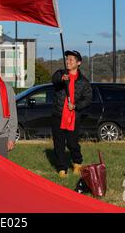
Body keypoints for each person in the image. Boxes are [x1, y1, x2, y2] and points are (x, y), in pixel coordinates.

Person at [51, 50, 92, 178]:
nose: (68, 62)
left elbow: (88, 99)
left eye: (71, 60)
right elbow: (54, 80)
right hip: (58, 115)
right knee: (59, 143)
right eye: (67, 59)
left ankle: (77, 162)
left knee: (72, 143)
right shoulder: (61, 74)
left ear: (78, 63)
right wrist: (62, 79)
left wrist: (75, 106)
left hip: (73, 117)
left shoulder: (83, 82)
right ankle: (62, 168)